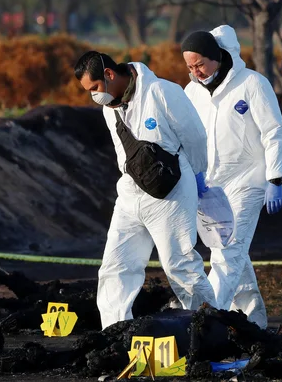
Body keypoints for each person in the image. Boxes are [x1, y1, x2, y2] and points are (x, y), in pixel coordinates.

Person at [74, 51, 218, 329]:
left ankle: (212, 327)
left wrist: (199, 176)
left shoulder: (162, 92)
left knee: (180, 265)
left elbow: (195, 137)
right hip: (131, 193)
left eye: (94, 88)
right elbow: (121, 155)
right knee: (116, 267)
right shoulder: (109, 109)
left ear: (109, 75)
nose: (93, 96)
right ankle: (115, 334)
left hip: (172, 191)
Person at [180, 25, 282, 328]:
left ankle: (205, 322)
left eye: (200, 64)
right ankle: (254, 323)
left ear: (217, 56)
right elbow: (188, 138)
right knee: (229, 254)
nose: (196, 72)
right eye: (190, 66)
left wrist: (276, 178)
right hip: (210, 187)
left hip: (249, 182)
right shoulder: (191, 93)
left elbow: (274, 132)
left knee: (228, 254)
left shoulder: (252, 84)